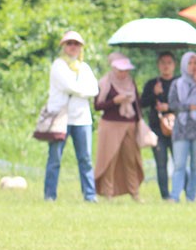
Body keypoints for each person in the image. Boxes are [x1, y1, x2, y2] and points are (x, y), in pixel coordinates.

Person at [44, 30, 99, 202]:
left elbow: (94, 89)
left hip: (82, 119)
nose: (73, 47)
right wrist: (83, 90)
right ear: (64, 46)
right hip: (60, 117)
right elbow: (69, 86)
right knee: (55, 158)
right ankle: (50, 195)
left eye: (76, 44)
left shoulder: (85, 68)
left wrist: (81, 90)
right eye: (70, 43)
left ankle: (90, 195)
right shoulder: (58, 65)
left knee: (85, 159)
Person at [93, 53, 144, 200]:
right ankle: (108, 192)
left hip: (129, 125)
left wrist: (139, 123)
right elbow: (97, 106)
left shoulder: (131, 83)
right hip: (110, 125)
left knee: (131, 159)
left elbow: (137, 104)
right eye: (121, 70)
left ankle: (134, 192)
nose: (123, 73)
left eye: (126, 70)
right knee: (109, 160)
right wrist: (115, 101)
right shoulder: (104, 83)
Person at [167, 51, 196, 203]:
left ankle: (191, 197)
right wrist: (191, 106)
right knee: (179, 164)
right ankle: (175, 196)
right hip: (181, 128)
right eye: (190, 63)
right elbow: (173, 104)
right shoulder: (176, 84)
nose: (193, 66)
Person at [139, 51, 177, 201]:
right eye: (163, 63)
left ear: (174, 65)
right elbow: (141, 103)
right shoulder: (152, 84)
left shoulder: (178, 83)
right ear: (158, 65)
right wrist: (154, 93)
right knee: (161, 162)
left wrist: (169, 107)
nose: (166, 66)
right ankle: (165, 196)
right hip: (156, 128)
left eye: (169, 63)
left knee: (179, 162)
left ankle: (183, 193)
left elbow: (184, 104)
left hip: (176, 128)